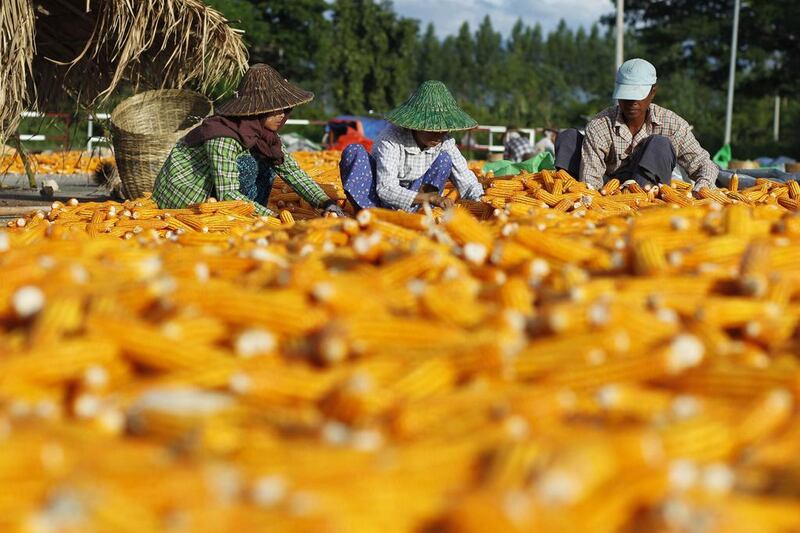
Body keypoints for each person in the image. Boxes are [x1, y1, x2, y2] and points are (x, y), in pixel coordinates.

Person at [153, 63, 345, 217]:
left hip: (221, 194)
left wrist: (326, 202)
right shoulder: (223, 136)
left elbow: (292, 171)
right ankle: (251, 214)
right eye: (274, 109)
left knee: (271, 162)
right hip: (187, 197)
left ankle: (252, 212)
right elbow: (228, 194)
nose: (282, 114)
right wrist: (272, 217)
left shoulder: (265, 136)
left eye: (284, 109)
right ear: (258, 111)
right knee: (249, 164)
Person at [554, 58, 718, 192]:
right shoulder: (600, 125)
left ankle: (641, 202)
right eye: (626, 96)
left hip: (648, 192)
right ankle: (566, 195)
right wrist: (592, 200)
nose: (632, 102)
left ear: (653, 92)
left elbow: (705, 165)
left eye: (637, 95)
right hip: (606, 191)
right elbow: (590, 179)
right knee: (568, 137)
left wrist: (701, 189)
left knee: (659, 143)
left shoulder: (673, 125)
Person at [338, 80, 484, 212]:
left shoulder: (444, 141)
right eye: (432, 129)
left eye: (443, 129)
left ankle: (418, 213)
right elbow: (385, 188)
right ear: (417, 125)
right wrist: (432, 198)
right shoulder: (390, 139)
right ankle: (365, 211)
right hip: (377, 197)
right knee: (354, 151)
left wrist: (483, 201)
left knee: (445, 159)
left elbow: (465, 178)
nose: (439, 134)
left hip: (416, 201)